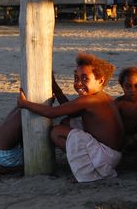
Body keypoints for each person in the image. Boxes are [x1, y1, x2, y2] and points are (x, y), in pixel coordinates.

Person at [18, 52, 124, 183]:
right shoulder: (103, 96)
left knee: (56, 132)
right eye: (76, 78)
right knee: (68, 122)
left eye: (85, 79)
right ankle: (87, 163)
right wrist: (55, 87)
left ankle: (87, 169)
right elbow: (71, 111)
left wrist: (24, 104)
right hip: (113, 156)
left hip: (104, 157)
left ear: (100, 80)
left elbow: (52, 112)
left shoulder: (90, 100)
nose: (79, 83)